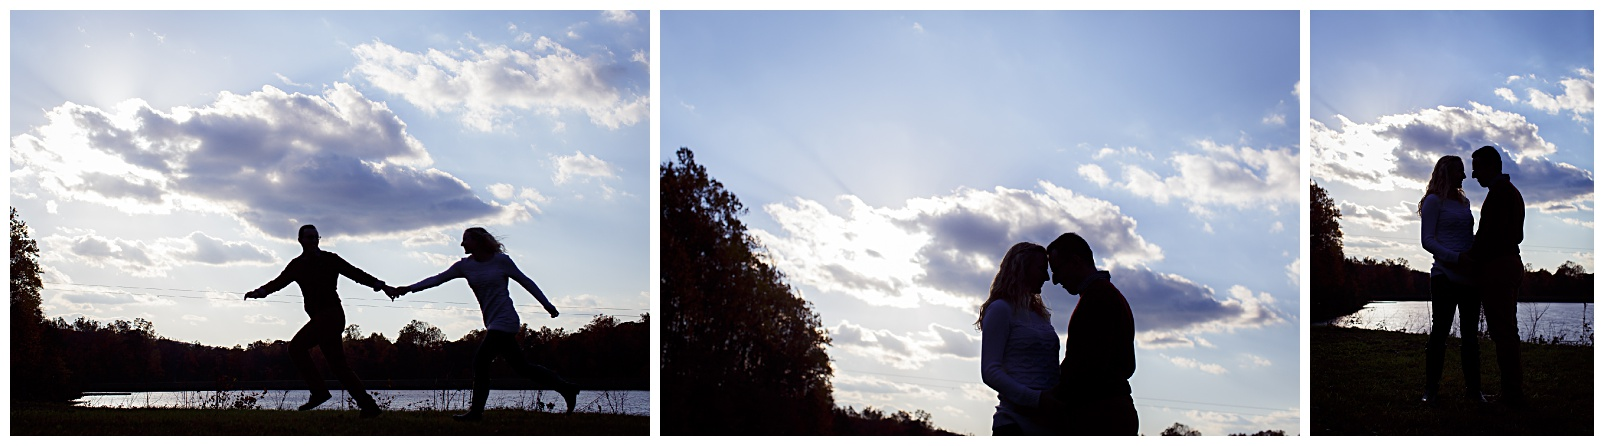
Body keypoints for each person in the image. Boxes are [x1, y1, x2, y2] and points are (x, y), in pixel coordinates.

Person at [388, 227, 580, 420]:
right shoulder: (464, 266)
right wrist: (408, 289)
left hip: (506, 320)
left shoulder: (501, 261)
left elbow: (526, 282)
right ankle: (567, 388)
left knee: (480, 362)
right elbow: (437, 279)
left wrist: (547, 305)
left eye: (466, 239)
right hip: (492, 322)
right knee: (522, 367)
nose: (462, 244)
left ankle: (476, 412)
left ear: (478, 241)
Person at [244, 224, 390, 418]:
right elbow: (279, 282)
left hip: (332, 315)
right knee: (339, 366)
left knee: (295, 348)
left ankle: (319, 392)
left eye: (316, 237)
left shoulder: (330, 259)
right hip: (321, 318)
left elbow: (354, 273)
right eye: (309, 238)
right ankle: (369, 407)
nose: (313, 241)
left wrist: (378, 284)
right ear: (300, 240)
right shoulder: (297, 265)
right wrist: (260, 292)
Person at [1044, 232, 1137, 435]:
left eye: (1057, 270)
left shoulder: (1098, 298)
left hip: (1099, 415)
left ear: (1076, 261)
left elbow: (1086, 365)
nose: (1055, 281)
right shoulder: (1106, 294)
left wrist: (1048, 397)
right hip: (1111, 410)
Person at [1418, 155, 1483, 404]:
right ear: (1446, 171)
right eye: (1460, 171)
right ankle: (1431, 390)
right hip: (1444, 276)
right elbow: (1428, 241)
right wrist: (1455, 259)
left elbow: (1467, 236)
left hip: (1470, 277)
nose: (1465, 176)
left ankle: (1474, 391)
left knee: (1470, 336)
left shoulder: (1464, 202)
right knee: (1440, 333)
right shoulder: (1434, 201)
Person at [976, 242, 1058, 435]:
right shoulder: (1000, 309)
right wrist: (1035, 400)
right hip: (1014, 423)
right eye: (1041, 269)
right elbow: (990, 371)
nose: (1047, 277)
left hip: (1048, 424)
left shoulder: (1041, 315)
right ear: (1022, 268)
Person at [1467, 145, 1526, 407]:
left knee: (1503, 332)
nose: (1473, 175)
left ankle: (1512, 395)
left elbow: (1490, 236)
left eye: (1477, 168)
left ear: (1491, 166)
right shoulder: (1507, 192)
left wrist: (1468, 257)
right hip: (1508, 264)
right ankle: (1512, 391)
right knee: (1506, 332)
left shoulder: (1500, 193)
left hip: (1500, 267)